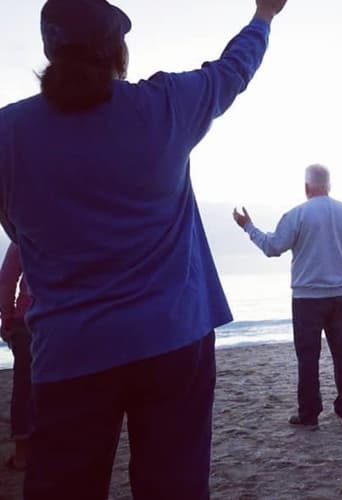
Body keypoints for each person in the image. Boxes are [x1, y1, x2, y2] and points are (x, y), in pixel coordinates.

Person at [0, 1, 290, 497]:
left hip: (70, 353)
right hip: (172, 341)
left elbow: (17, 226)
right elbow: (233, 69)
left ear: (50, 51)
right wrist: (263, 16)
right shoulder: (165, 105)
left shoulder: (8, 133)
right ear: (118, 51)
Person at [233, 164, 342, 429]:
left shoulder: (297, 214)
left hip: (307, 298)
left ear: (306, 187)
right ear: (329, 186)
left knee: (307, 357)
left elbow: (273, 247)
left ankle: (310, 413)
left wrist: (249, 227)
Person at [0, 243, 32, 471]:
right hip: (68, 318)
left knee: (23, 385)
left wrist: (7, 318)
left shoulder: (24, 226)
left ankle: (22, 453)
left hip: (27, 320)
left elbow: (7, 277)